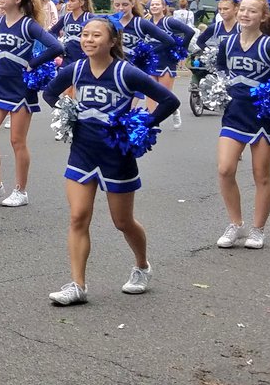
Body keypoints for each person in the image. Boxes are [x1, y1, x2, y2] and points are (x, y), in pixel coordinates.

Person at [42, 17, 179, 306]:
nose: (88, 40)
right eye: (85, 35)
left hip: (117, 156)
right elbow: (50, 92)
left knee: (122, 221)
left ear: (113, 41)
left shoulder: (126, 72)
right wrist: (66, 112)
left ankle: (142, 266)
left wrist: (141, 126)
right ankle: (78, 285)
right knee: (78, 216)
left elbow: (169, 101)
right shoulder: (76, 69)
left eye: (96, 36)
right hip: (82, 151)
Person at [0, 0, 64, 207]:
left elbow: (56, 47)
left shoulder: (28, 25)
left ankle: (20, 191)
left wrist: (33, 63)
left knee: (17, 141)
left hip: (21, 88)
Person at [215, 0, 270, 250]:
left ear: (263, 17)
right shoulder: (227, 44)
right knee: (225, 169)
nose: (245, 14)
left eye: (252, 11)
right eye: (243, 10)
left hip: (264, 117)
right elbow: (220, 70)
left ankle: (258, 229)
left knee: (261, 174)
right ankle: (235, 223)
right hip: (235, 113)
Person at [146, 0, 196, 129]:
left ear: (164, 7)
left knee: (164, 93)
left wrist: (182, 48)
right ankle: (152, 121)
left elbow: (189, 32)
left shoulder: (169, 22)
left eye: (157, 4)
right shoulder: (147, 22)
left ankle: (174, 109)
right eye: (152, 4)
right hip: (151, 59)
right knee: (149, 91)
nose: (154, 6)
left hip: (166, 60)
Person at [110, 0, 174, 66]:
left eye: (125, 4)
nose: (121, 8)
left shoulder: (140, 23)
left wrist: (148, 53)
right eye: (117, 5)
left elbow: (169, 41)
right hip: (114, 68)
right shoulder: (109, 22)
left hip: (136, 69)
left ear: (132, 3)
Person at [49, 0, 94, 70]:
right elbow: (51, 32)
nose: (69, 3)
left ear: (81, 3)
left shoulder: (88, 17)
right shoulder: (66, 17)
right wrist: (57, 45)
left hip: (83, 57)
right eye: (68, 0)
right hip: (67, 57)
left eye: (72, 1)